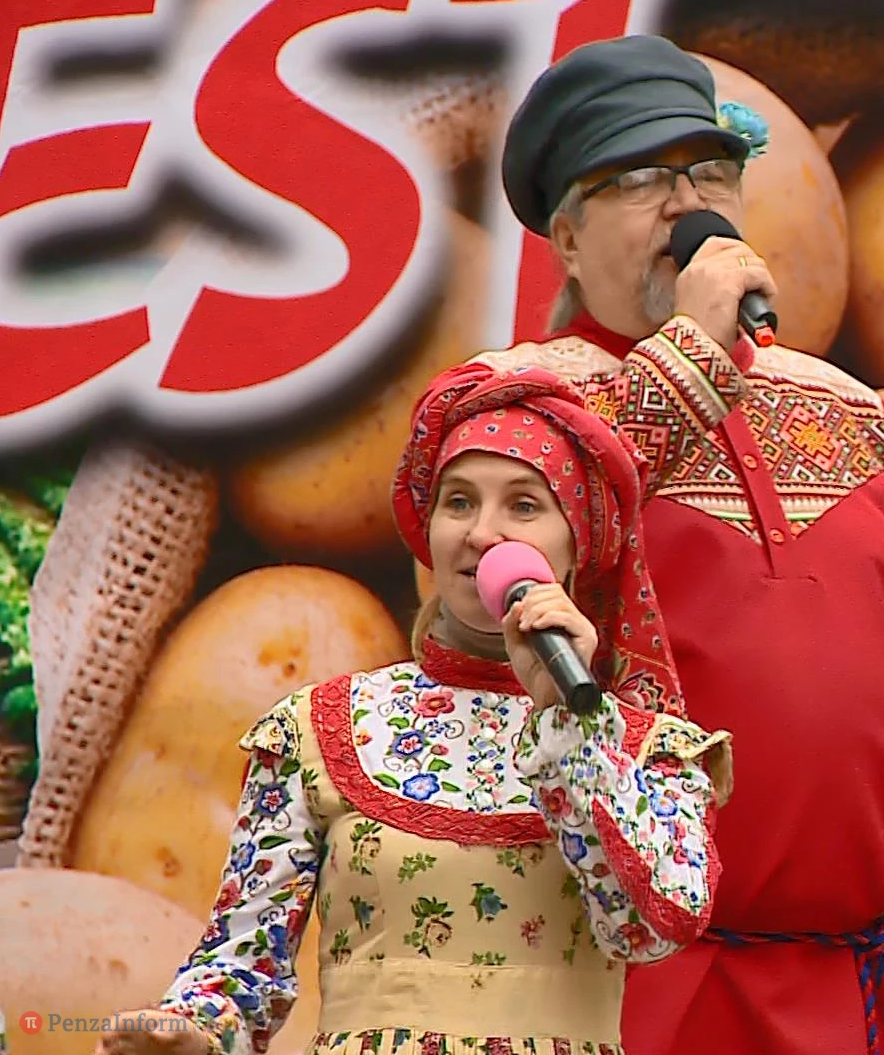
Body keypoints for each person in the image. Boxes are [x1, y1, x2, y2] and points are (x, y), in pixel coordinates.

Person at [480, 34, 884, 1055]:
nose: (683, 203)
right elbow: (531, 542)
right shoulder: (513, 404)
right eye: (638, 179)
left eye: (708, 172)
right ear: (565, 235)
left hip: (836, 984)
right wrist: (692, 352)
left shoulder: (852, 413)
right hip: (610, 987)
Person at [92, 362, 733, 1055]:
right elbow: (243, 965)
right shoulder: (322, 725)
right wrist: (192, 1033)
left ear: (577, 539)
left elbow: (651, 927)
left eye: (523, 506)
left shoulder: (644, 748)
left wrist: (569, 727)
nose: (483, 533)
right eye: (459, 503)